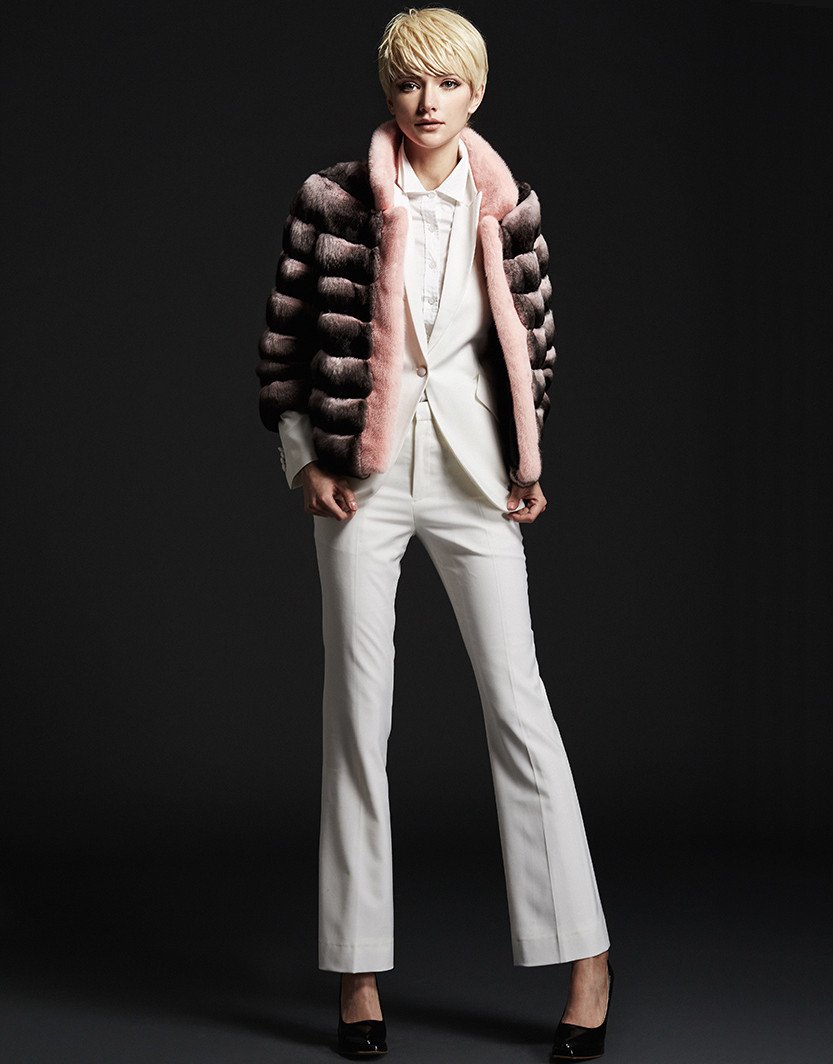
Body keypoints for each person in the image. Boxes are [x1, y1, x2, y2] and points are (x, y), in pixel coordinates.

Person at [256, 7, 614, 1060]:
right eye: (410, 82)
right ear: (388, 90)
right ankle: (357, 970)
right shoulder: (330, 201)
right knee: (354, 717)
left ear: (476, 93)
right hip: (359, 481)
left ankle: (585, 957)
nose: (427, 101)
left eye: (447, 83)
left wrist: (524, 458)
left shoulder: (510, 207)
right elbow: (283, 346)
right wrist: (304, 460)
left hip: (471, 477)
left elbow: (534, 344)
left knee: (518, 707)